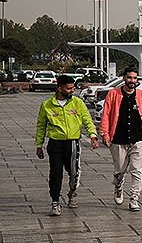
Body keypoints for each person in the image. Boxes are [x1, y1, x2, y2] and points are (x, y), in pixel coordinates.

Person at [35, 74, 99, 216]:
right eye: (69, 88)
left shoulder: (77, 103)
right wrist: (39, 145)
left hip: (72, 143)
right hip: (55, 143)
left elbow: (87, 120)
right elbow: (41, 126)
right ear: (59, 88)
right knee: (55, 173)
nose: (72, 91)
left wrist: (93, 136)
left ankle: (72, 193)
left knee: (74, 172)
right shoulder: (47, 105)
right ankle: (55, 202)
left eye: (73, 88)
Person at [99, 65, 142, 211]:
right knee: (119, 170)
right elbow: (106, 115)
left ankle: (134, 198)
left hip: (137, 139)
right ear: (124, 78)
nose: (132, 80)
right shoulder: (113, 94)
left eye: (134, 78)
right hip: (118, 139)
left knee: (137, 171)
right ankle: (118, 187)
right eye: (129, 77)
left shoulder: (141, 95)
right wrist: (105, 134)